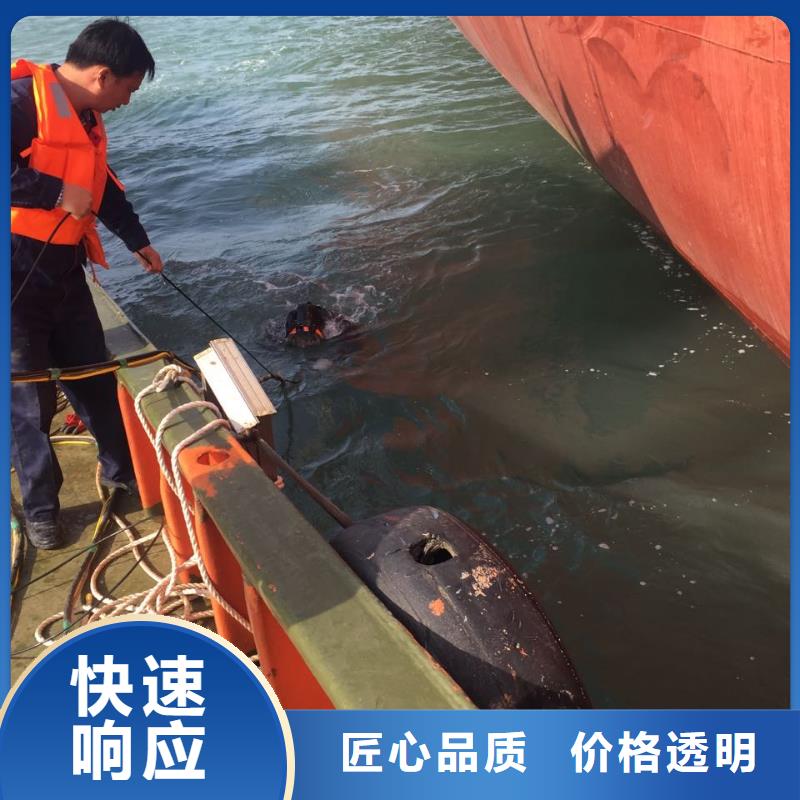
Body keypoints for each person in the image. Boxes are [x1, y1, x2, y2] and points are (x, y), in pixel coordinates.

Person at [11, 18, 163, 549]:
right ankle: (41, 508)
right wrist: (54, 193)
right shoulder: (18, 103)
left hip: (64, 272)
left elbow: (101, 188)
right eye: (129, 88)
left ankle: (123, 471)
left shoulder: (86, 116)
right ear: (103, 76)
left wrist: (137, 240)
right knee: (28, 400)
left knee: (93, 374)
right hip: (14, 280)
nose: (127, 100)